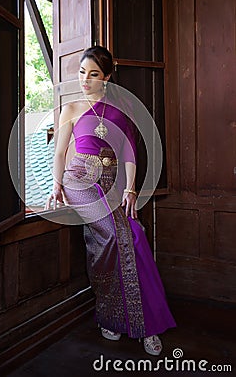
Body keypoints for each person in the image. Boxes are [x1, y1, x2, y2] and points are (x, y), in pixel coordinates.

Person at [46, 46, 176, 356]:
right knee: (118, 234)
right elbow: (61, 152)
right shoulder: (72, 108)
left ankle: (139, 323)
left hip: (111, 187)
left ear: (107, 76)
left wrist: (131, 189)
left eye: (93, 74)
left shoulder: (120, 111)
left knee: (135, 235)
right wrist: (55, 186)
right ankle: (121, 319)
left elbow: (129, 153)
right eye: (81, 73)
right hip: (78, 181)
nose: (85, 80)